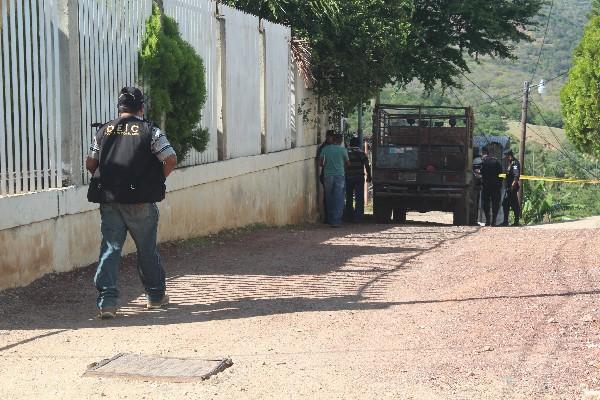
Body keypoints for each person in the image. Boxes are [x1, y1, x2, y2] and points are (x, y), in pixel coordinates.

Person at [85, 86, 177, 319]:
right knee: (146, 249)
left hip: (109, 200)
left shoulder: (104, 130)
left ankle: (107, 303)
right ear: (141, 108)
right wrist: (158, 178)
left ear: (120, 108)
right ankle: (155, 297)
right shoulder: (151, 131)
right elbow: (170, 158)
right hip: (140, 201)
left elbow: (90, 163)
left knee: (110, 248)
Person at [319, 134, 349, 227]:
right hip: (340, 175)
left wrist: (327, 167)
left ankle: (330, 219)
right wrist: (342, 168)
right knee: (339, 197)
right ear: (340, 141)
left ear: (333, 140)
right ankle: (336, 220)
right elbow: (348, 163)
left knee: (329, 197)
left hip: (327, 176)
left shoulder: (326, 149)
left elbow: (320, 163)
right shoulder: (342, 150)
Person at [345, 137, 372, 221]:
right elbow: (367, 165)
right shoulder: (361, 153)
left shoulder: (346, 152)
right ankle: (358, 217)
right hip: (359, 177)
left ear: (350, 144)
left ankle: (349, 216)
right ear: (358, 144)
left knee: (348, 197)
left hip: (348, 177)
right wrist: (369, 175)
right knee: (359, 197)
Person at [478, 146, 503, 226]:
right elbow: (501, 174)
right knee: (495, 203)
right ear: (488, 153)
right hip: (496, 186)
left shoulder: (482, 162)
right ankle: (494, 221)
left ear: (482, 153)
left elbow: (480, 173)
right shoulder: (496, 161)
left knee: (486, 203)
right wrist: (499, 183)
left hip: (486, 186)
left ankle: (488, 220)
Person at [317, 130, 335, 223]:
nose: (329, 138)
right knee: (328, 196)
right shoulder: (323, 147)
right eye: (328, 136)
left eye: (331, 137)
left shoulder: (335, 146)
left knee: (334, 195)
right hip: (326, 174)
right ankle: (328, 216)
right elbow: (320, 162)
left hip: (332, 174)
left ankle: (333, 216)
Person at [501, 149, 521, 226]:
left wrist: (512, 186)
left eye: (506, 156)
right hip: (509, 187)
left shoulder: (515, 163)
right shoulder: (510, 163)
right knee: (506, 204)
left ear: (509, 156)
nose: (505, 158)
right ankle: (506, 221)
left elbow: (516, 176)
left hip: (512, 188)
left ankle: (516, 221)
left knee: (514, 204)